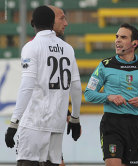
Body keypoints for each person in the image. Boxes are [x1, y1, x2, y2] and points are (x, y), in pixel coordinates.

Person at [4, 6, 82, 166]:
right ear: (52, 22)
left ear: (32, 22)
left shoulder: (31, 47)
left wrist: (14, 123)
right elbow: (76, 87)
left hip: (34, 122)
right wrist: (75, 118)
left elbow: (27, 86)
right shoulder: (68, 49)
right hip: (57, 124)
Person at [84, 23, 138, 166]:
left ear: (134, 43)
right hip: (111, 124)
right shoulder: (105, 65)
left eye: (123, 37)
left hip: (135, 125)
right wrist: (109, 97)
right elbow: (88, 94)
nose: (117, 40)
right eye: (116, 36)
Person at [47, 5, 75, 166]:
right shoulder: (35, 47)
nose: (66, 23)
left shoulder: (62, 48)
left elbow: (53, 86)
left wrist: (67, 112)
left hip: (52, 120)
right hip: (37, 123)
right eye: (62, 18)